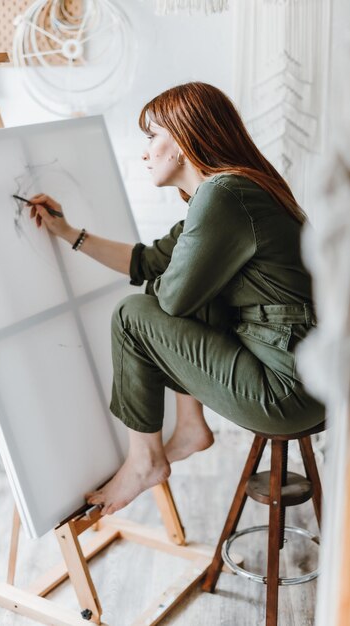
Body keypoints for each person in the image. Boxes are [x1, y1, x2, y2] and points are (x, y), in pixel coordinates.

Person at [29, 81, 325, 516]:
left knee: (133, 313)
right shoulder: (233, 191)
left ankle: (146, 460)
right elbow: (146, 261)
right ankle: (190, 427)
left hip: (286, 390)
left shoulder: (222, 196)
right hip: (316, 381)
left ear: (185, 139)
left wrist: (164, 280)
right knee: (171, 286)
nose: (145, 152)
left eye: (152, 137)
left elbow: (168, 301)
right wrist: (68, 232)